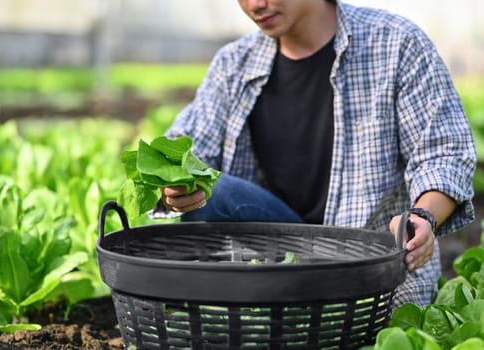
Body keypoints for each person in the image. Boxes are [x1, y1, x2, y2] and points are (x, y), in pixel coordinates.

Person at [157, 0, 476, 309]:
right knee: (213, 191)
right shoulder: (234, 64)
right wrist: (172, 187)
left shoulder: (395, 43)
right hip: (279, 258)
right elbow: (182, 150)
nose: (255, 4)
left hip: (370, 266)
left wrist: (423, 217)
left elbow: (443, 152)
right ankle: (236, 307)